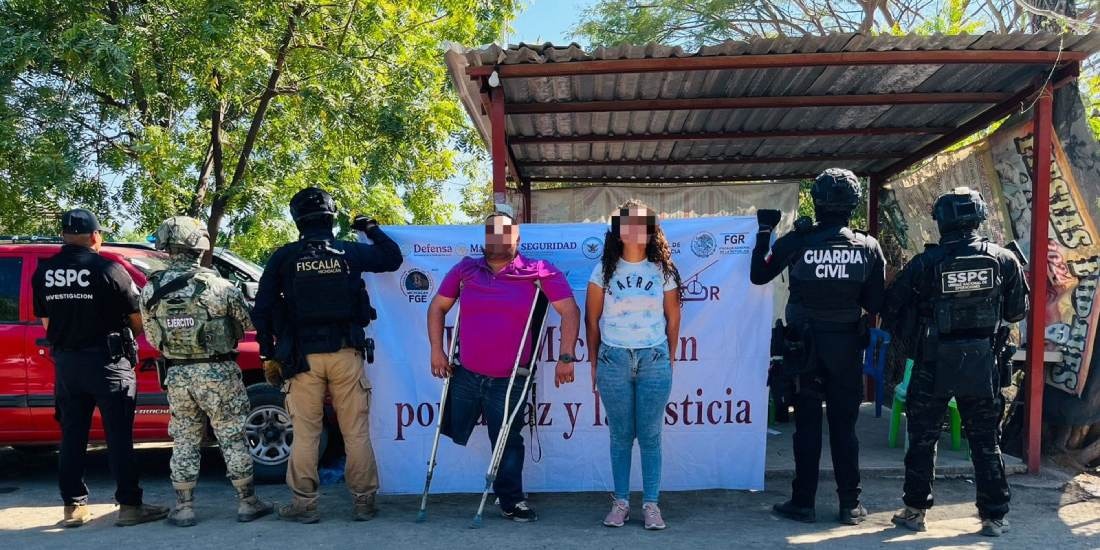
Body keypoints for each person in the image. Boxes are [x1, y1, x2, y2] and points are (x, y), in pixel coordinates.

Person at [252, 187, 402, 523]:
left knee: (306, 433)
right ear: (331, 218)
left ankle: (304, 505)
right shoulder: (348, 252)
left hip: (302, 359)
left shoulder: (285, 257)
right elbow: (392, 258)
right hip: (346, 353)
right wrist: (370, 228)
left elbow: (261, 308)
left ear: (297, 220)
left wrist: (267, 354)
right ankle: (364, 502)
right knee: (355, 432)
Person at [883, 187, 1028, 538]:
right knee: (984, 440)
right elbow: (1016, 311)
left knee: (922, 437)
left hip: (933, 362)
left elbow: (890, 307)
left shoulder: (924, 263)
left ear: (942, 221)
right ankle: (994, 517)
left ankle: (915, 511)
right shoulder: (1004, 260)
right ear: (979, 217)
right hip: (982, 362)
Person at [750, 168, 886, 525]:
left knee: (807, 426)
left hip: (803, 349)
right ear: (854, 204)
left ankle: (803, 502)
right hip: (845, 350)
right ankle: (850, 505)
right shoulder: (867, 246)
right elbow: (875, 304)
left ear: (817, 200)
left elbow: (758, 274)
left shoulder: (797, 242)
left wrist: (765, 230)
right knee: (845, 427)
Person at [426, 208, 581, 522]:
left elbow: (570, 311)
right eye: (491, 232)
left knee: (508, 438)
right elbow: (438, 307)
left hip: (510, 377)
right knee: (453, 429)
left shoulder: (538, 270)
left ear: (518, 238)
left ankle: (511, 500)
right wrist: (437, 351)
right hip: (466, 372)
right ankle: (436, 484)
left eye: (504, 232)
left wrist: (566, 356)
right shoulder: (466, 270)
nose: (497, 238)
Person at [31, 209, 169, 527]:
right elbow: (138, 320)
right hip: (108, 362)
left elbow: (47, 322)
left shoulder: (44, 272)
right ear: (95, 236)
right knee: (118, 436)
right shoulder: (109, 268)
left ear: (64, 235)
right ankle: (131, 507)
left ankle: (73, 508)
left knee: (73, 436)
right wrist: (120, 339)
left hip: (67, 364)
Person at [140, 216, 273, 526]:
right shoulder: (220, 286)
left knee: (185, 438)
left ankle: (184, 507)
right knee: (232, 436)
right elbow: (246, 324)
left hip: (178, 376)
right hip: (219, 372)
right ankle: (247, 502)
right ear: (198, 247)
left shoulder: (151, 290)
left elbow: (151, 336)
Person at [585, 200, 681, 530]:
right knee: (621, 436)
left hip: (653, 358)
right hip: (614, 358)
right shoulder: (603, 270)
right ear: (619, 230)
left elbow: (673, 318)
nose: (636, 230)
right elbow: (592, 320)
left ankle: (651, 504)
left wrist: (669, 358)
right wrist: (594, 362)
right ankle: (621, 502)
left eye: (643, 223)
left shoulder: (662, 270)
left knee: (651, 436)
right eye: (629, 223)